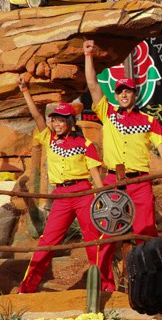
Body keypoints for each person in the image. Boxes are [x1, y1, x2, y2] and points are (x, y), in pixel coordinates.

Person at [83, 39, 162, 284]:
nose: (124, 94)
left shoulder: (150, 120)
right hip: (112, 181)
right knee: (106, 234)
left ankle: (149, 282)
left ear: (135, 95)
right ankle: (104, 284)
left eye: (128, 91)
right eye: (120, 91)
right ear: (116, 95)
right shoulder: (107, 112)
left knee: (146, 232)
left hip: (140, 183)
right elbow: (92, 83)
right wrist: (88, 56)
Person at [16, 77, 114, 293]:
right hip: (61, 196)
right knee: (47, 241)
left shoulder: (85, 144)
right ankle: (28, 287)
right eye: (54, 120)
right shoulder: (49, 138)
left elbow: (94, 173)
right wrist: (25, 91)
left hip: (84, 193)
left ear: (71, 120)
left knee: (94, 240)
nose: (56, 124)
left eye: (61, 120)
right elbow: (36, 116)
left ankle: (106, 287)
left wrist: (102, 197)